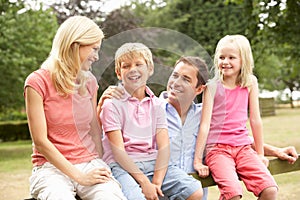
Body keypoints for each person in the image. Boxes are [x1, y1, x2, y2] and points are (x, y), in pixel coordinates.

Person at [99, 55, 298, 200]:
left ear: (199, 89)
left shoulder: (206, 116)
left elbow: (236, 141)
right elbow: (110, 141)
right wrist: (101, 105)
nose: (175, 83)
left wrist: (276, 151)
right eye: (175, 75)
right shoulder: (150, 109)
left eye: (185, 79)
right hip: (157, 193)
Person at [24, 16, 126, 200]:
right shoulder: (37, 82)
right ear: (75, 44)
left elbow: (94, 129)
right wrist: (80, 177)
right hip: (50, 167)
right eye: (94, 49)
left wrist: (99, 163)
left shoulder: (90, 82)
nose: (96, 57)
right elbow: (40, 141)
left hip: (88, 161)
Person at [99, 43, 204, 200]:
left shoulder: (157, 105)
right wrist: (144, 183)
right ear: (119, 73)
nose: (133, 69)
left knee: (194, 190)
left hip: (152, 162)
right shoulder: (112, 104)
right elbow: (118, 152)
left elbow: (164, 148)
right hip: (122, 166)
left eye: (139, 64)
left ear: (150, 69)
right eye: (126, 66)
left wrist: (156, 182)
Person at [194, 34, 278, 200]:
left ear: (243, 60)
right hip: (217, 149)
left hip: (243, 148)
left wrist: (260, 154)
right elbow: (204, 125)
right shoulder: (212, 87)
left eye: (231, 57)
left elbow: (255, 120)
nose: (225, 61)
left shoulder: (250, 83)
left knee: (270, 190)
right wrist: (198, 160)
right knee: (232, 193)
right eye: (221, 57)